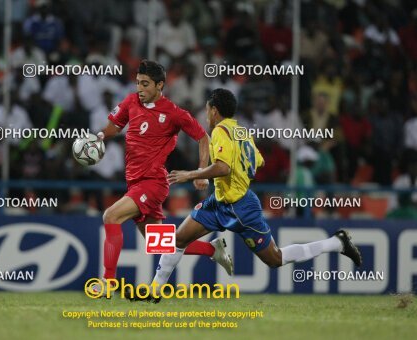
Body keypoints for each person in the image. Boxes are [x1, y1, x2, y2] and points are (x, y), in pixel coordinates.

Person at [129, 88, 362, 303]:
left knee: (275, 259)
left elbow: (223, 167)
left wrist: (192, 174)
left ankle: (337, 243)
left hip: (240, 208)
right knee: (178, 239)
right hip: (220, 201)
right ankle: (154, 291)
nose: (207, 115)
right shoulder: (241, 131)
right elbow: (257, 161)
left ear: (214, 110)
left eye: (208, 110)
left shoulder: (220, 130)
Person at [87, 60, 233, 297]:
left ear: (160, 85)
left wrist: (201, 171)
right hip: (135, 181)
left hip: (153, 182)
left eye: (145, 84)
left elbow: (203, 137)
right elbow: (115, 125)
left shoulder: (174, 113)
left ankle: (108, 282)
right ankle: (212, 250)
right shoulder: (131, 101)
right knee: (161, 244)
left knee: (110, 216)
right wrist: (101, 135)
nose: (140, 89)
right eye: (137, 83)